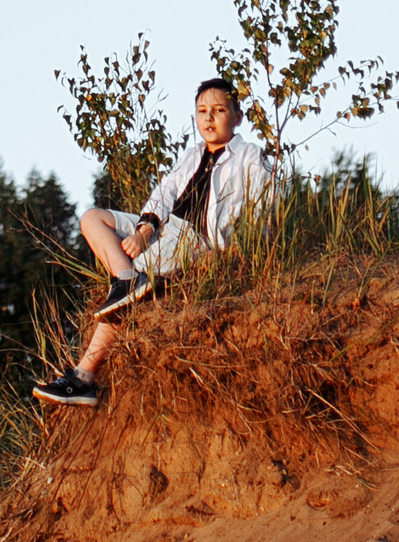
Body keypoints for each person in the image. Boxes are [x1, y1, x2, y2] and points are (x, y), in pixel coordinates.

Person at [32, 77, 276, 407]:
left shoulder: (248, 154)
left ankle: (84, 376)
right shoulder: (192, 155)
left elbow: (263, 206)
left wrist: (237, 253)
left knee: (129, 294)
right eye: (201, 110)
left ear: (237, 116)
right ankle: (125, 278)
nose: (208, 118)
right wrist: (143, 231)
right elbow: (164, 193)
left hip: (196, 238)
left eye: (219, 110)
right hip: (164, 229)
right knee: (92, 218)